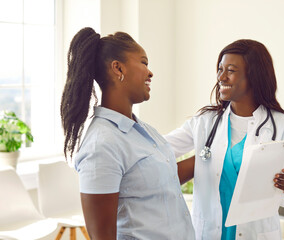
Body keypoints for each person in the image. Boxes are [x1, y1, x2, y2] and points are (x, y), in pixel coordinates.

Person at [60, 27, 195, 240]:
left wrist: (213, 155)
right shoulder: (101, 145)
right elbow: (102, 236)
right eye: (143, 62)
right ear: (118, 68)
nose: (150, 72)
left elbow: (162, 180)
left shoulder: (143, 131)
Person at [165, 39, 284, 240]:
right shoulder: (205, 122)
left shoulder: (281, 125)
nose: (221, 77)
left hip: (256, 233)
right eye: (220, 69)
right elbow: (158, 148)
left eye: (231, 70)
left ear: (254, 76)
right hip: (209, 232)